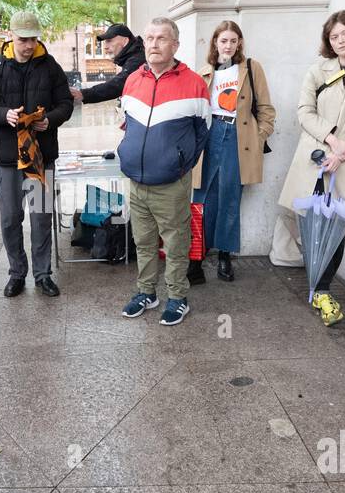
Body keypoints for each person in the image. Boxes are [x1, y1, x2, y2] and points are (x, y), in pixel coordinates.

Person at [273, 10, 345, 326]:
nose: (340, 40)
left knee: (337, 229)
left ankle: (323, 290)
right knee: (311, 224)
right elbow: (304, 111)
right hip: (313, 159)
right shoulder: (319, 70)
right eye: (333, 36)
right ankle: (316, 285)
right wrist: (329, 137)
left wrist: (344, 148)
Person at [117, 18, 209, 326]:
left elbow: (202, 132)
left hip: (171, 183)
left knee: (175, 243)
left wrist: (180, 163)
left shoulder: (194, 83)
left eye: (161, 39)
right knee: (143, 241)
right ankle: (146, 292)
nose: (153, 44)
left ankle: (177, 297)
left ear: (175, 45)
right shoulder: (132, 80)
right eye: (150, 38)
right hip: (137, 180)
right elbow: (126, 122)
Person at [0, 10, 73, 298]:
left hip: (40, 157)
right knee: (10, 218)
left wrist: (50, 119)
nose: (28, 45)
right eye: (23, 39)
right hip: (7, 159)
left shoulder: (50, 66)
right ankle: (17, 273)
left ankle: (43, 275)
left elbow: (65, 103)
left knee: (41, 216)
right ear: (10, 37)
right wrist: (3, 114)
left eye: (32, 39)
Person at [189, 20, 276, 284]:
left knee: (229, 198)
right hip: (208, 136)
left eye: (233, 40)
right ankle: (196, 258)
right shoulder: (203, 72)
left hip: (237, 137)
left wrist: (257, 137)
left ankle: (225, 256)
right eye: (223, 40)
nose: (228, 45)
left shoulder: (250, 68)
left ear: (239, 43)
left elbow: (266, 110)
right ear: (215, 42)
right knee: (201, 200)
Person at [69, 22, 146, 106]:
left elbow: (118, 84)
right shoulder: (134, 56)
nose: (105, 46)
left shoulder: (137, 59)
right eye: (105, 42)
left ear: (125, 41)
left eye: (109, 41)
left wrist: (84, 94)